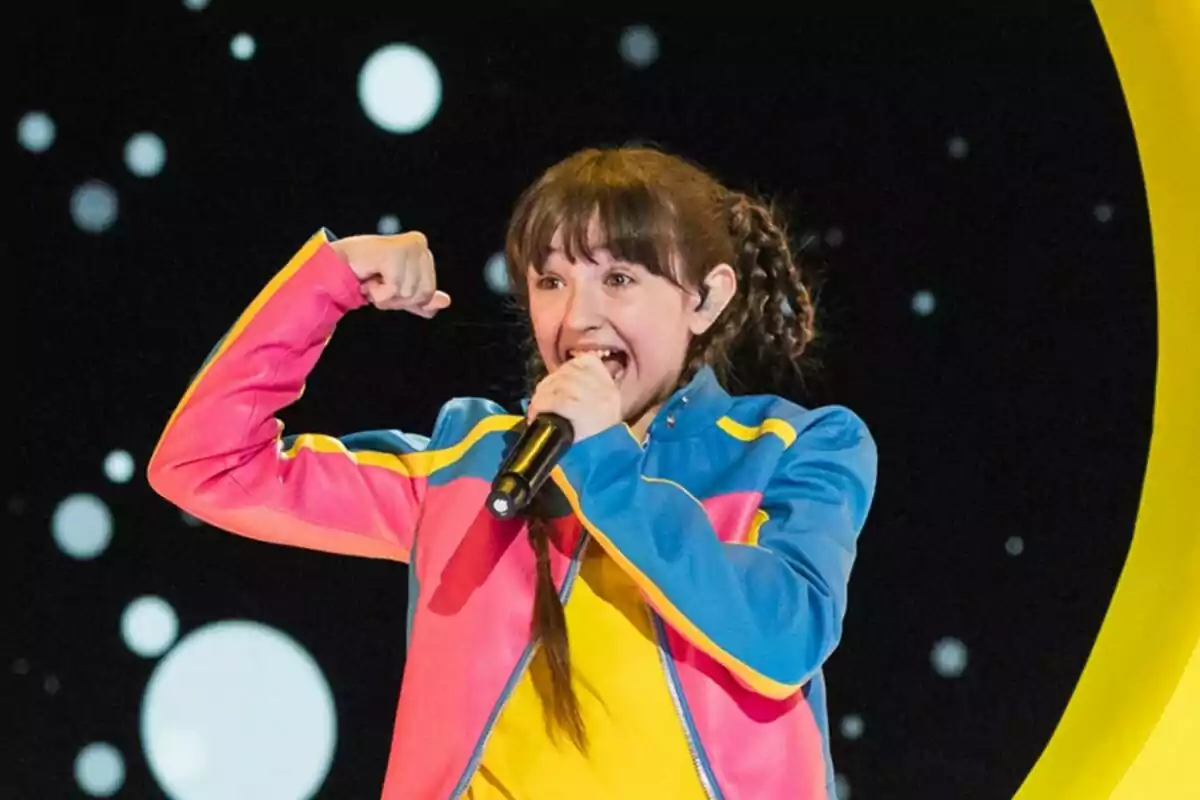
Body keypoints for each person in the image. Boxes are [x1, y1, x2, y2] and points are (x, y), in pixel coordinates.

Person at [147, 145, 878, 799]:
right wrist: (328, 284)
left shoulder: (797, 445)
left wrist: (602, 464)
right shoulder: (472, 462)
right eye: (551, 281)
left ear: (706, 298)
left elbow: (784, 639)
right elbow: (206, 465)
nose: (579, 316)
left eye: (619, 278)